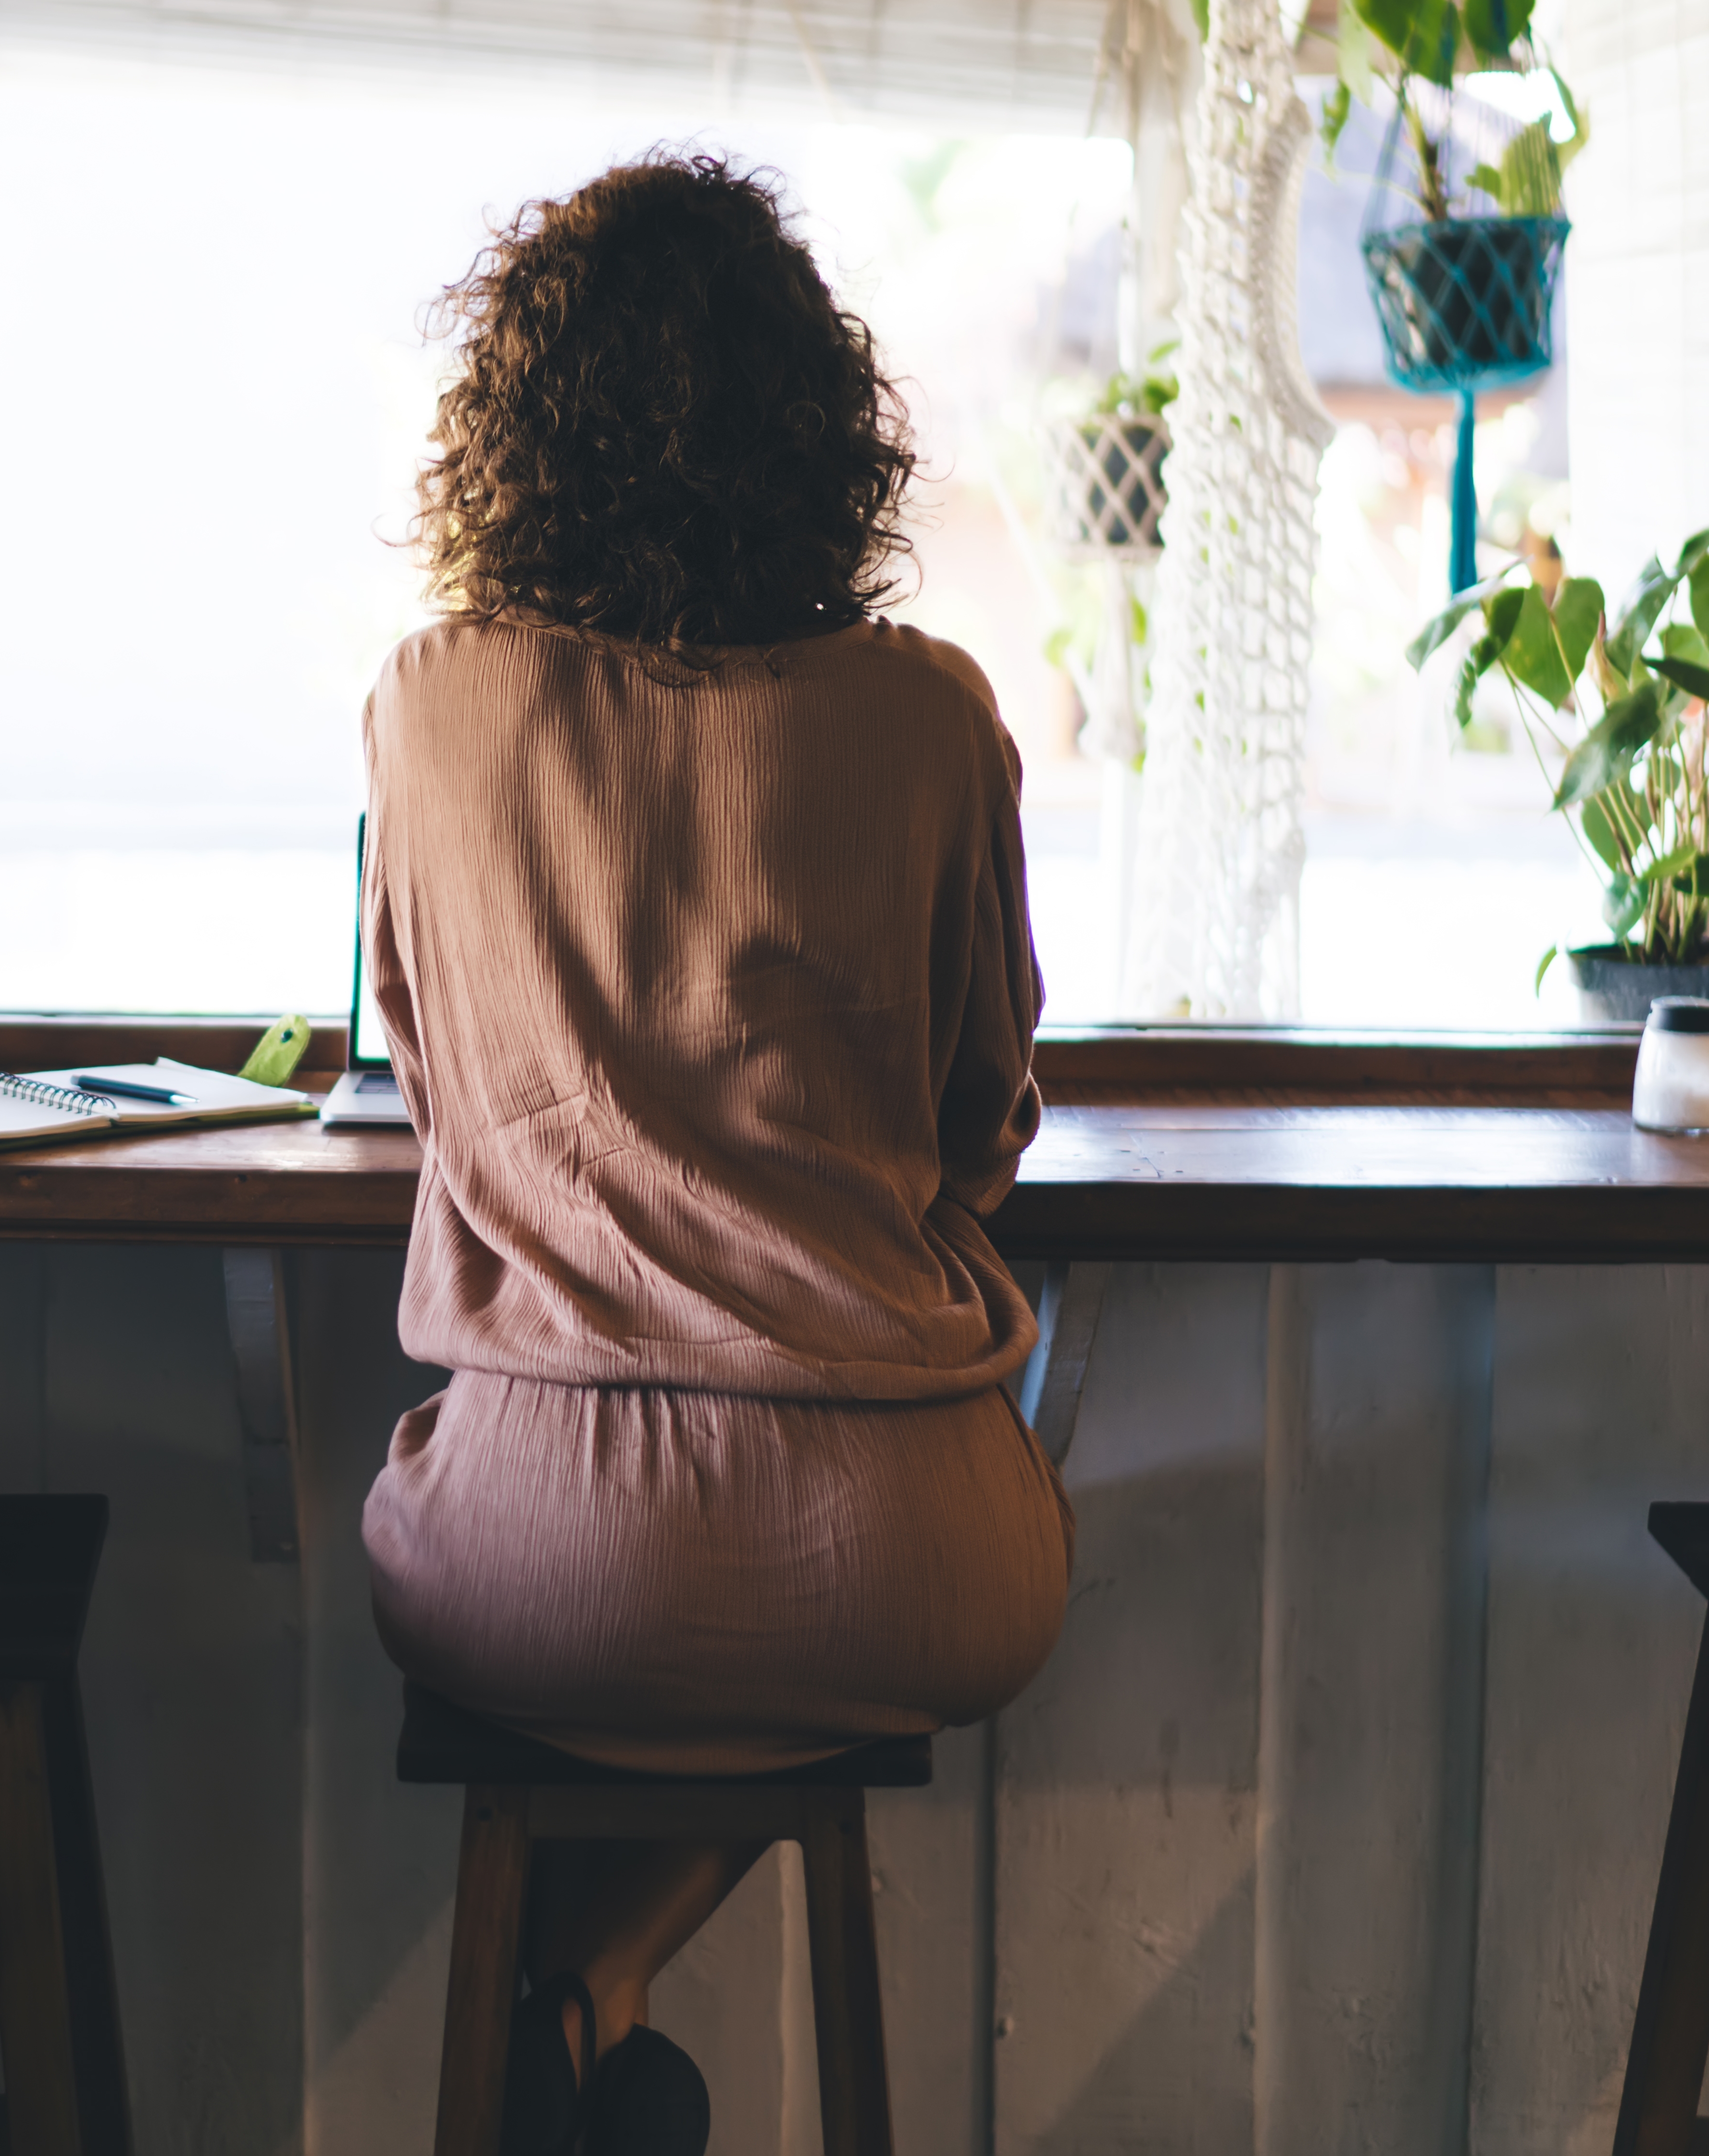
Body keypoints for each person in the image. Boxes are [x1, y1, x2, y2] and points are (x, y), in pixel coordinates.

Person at [359, 153, 1075, 2156]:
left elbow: (430, 1075)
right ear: (819, 423)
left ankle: (577, 1986)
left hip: (533, 1573)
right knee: (859, 1592)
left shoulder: (430, 710)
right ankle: (590, 1984)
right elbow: (979, 1115)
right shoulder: (934, 724)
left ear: (514, 435)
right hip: (908, 1572)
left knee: (656, 1610)